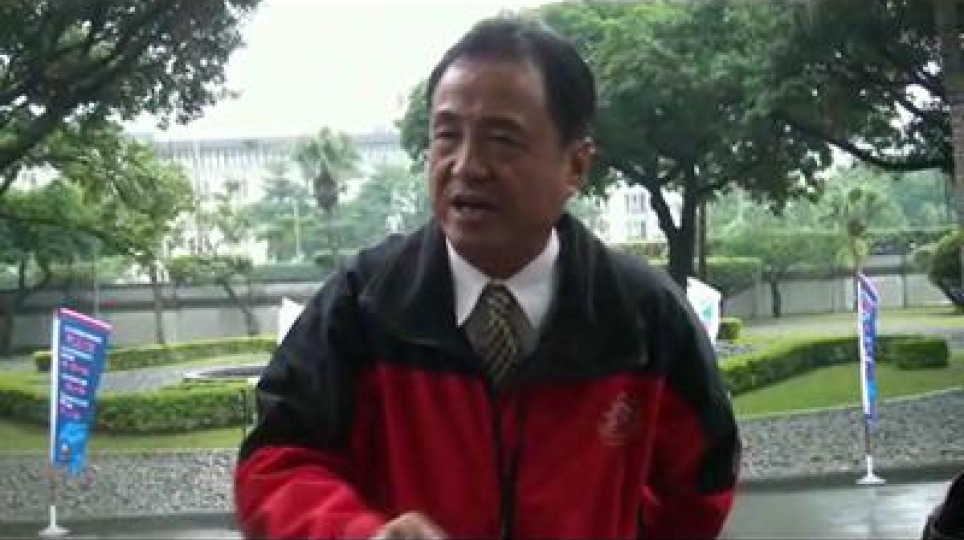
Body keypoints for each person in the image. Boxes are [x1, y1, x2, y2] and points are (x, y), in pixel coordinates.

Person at [234, 15, 741, 540]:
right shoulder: (362, 305)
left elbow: (702, 484)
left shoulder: (644, 318)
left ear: (575, 166)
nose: (467, 166)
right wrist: (357, 534)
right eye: (447, 136)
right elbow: (275, 464)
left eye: (502, 140)